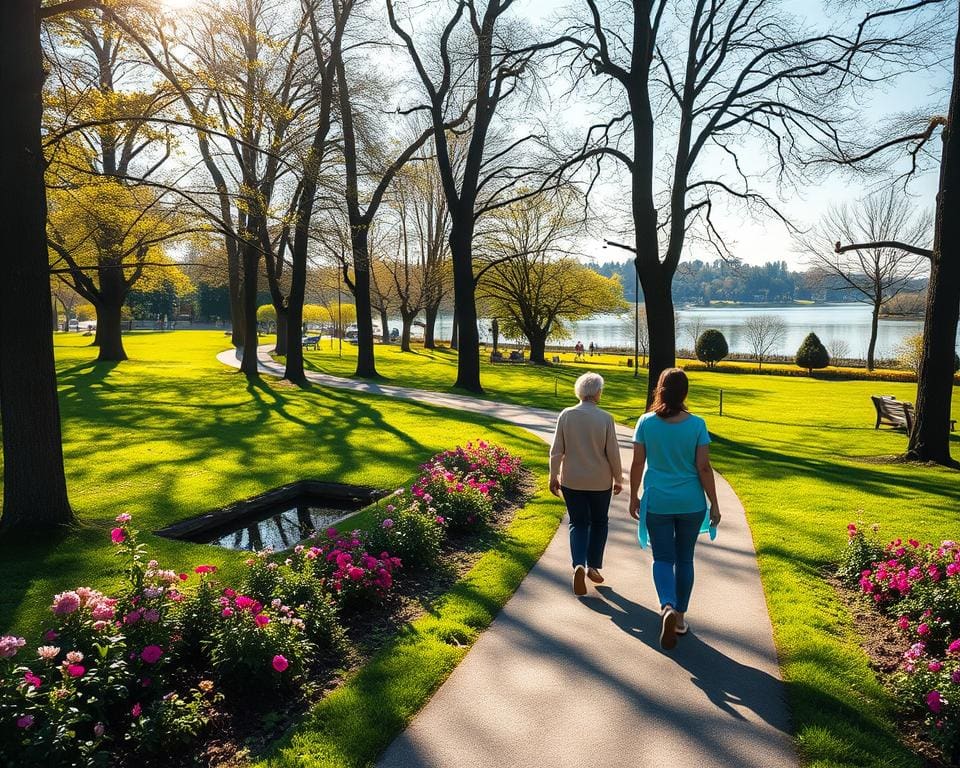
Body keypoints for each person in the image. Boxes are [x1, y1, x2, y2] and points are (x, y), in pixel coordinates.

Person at [628, 368, 721, 650]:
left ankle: (666, 605)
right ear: (685, 392)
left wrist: (634, 496)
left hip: (657, 501)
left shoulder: (645, 422)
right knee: (685, 559)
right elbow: (703, 467)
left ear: (660, 390)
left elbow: (636, 464)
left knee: (663, 558)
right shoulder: (697, 424)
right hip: (690, 502)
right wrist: (714, 503)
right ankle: (679, 618)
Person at [550, 372, 623, 595]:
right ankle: (592, 566)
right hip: (600, 481)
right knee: (599, 522)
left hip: (572, 479)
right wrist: (618, 478)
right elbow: (613, 453)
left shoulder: (566, 415)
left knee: (578, 523)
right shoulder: (605, 418)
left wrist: (553, 475)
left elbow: (557, 451)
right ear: (597, 393)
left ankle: (578, 565)